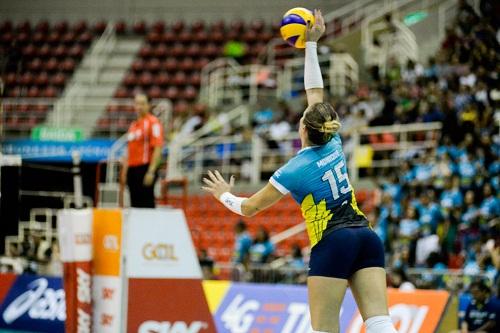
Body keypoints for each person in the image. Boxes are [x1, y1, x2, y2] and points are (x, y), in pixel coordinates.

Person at [202, 10, 397, 333]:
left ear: (303, 129)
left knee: (324, 328)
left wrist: (225, 194)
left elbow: (249, 208)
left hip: (333, 242)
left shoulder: (293, 169)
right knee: (380, 323)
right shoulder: (333, 141)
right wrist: (311, 45)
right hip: (366, 236)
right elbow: (316, 94)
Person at [122, 93, 164, 208]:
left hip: (145, 169)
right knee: (134, 204)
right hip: (132, 169)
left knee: (146, 204)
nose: (139, 107)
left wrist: (151, 171)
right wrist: (125, 171)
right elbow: (129, 150)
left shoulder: (153, 122)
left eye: (142, 104)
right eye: (137, 104)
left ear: (149, 105)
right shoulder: (133, 125)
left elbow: (157, 147)